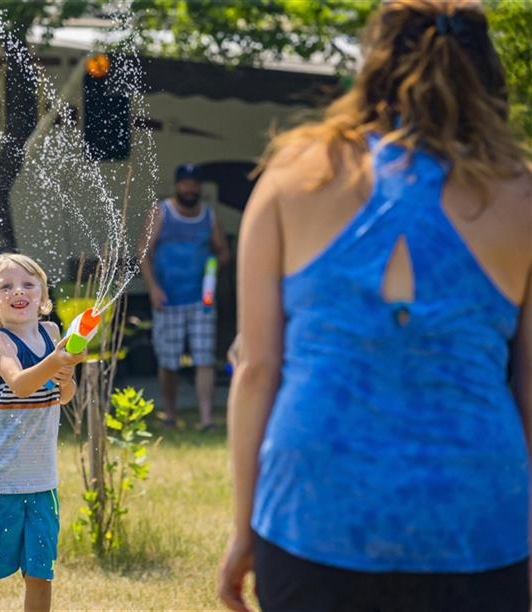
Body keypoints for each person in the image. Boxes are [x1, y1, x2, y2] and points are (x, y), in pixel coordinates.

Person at [218, 1, 531, 610]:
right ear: (487, 72)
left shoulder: (294, 174)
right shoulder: (520, 195)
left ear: (374, 64)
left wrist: (242, 530)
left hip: (312, 511)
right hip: (477, 517)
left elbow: (256, 370)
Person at [0, 253, 86, 612]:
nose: (19, 291)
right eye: (7, 286)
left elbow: (64, 395)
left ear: (43, 296)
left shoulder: (52, 334)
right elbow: (21, 384)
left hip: (42, 481)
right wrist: (55, 362)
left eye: (29, 284)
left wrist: (66, 375)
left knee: (41, 573)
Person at [138, 163, 230, 430]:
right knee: (169, 361)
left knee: (204, 358)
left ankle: (206, 419)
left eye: (194, 183)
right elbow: (144, 252)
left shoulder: (209, 216)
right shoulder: (161, 212)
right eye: (185, 183)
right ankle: (169, 412)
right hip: (167, 299)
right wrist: (153, 287)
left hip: (201, 300)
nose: (190, 188)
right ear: (177, 185)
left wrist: (214, 267)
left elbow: (223, 250)